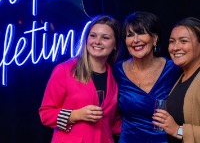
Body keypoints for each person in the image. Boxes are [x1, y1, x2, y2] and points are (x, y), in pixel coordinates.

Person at [39, 15, 122, 143]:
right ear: (86, 38)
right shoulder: (65, 70)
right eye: (93, 36)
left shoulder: (115, 76)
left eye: (105, 37)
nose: (97, 41)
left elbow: (114, 123)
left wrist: (145, 129)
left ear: (115, 45)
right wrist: (75, 115)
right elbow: (46, 114)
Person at [113, 11, 181, 143]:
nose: (135, 40)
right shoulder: (117, 70)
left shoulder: (173, 68)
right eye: (130, 35)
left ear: (154, 38)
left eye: (141, 33)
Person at [153, 17, 200, 143]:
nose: (175, 47)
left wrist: (177, 130)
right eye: (172, 41)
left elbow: (176, 129)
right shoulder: (181, 76)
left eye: (183, 41)